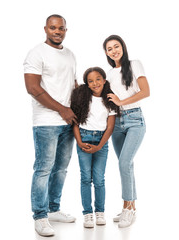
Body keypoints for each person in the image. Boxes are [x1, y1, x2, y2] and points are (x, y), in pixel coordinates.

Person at [23, 14, 77, 237]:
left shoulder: (70, 54)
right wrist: (62, 109)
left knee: (61, 169)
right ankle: (40, 216)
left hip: (69, 121)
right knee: (43, 169)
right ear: (45, 28)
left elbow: (72, 85)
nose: (57, 31)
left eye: (61, 28)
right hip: (46, 122)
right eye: (53, 27)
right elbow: (32, 88)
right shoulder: (36, 53)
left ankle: (53, 209)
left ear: (66, 29)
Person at [103, 35, 150, 228]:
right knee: (126, 165)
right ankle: (129, 207)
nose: (114, 51)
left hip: (134, 119)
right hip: (117, 122)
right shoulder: (109, 73)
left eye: (117, 46)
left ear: (123, 47)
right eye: (109, 49)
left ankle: (128, 210)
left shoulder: (134, 64)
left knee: (124, 162)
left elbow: (145, 91)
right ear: (106, 53)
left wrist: (122, 102)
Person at [70, 67, 119, 228]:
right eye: (90, 81)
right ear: (87, 84)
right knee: (85, 177)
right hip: (83, 138)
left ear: (104, 80)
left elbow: (110, 127)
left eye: (98, 79)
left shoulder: (110, 100)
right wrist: (79, 141)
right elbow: (75, 123)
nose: (95, 83)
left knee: (99, 179)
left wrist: (99, 147)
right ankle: (88, 214)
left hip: (101, 141)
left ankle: (100, 212)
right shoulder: (82, 98)